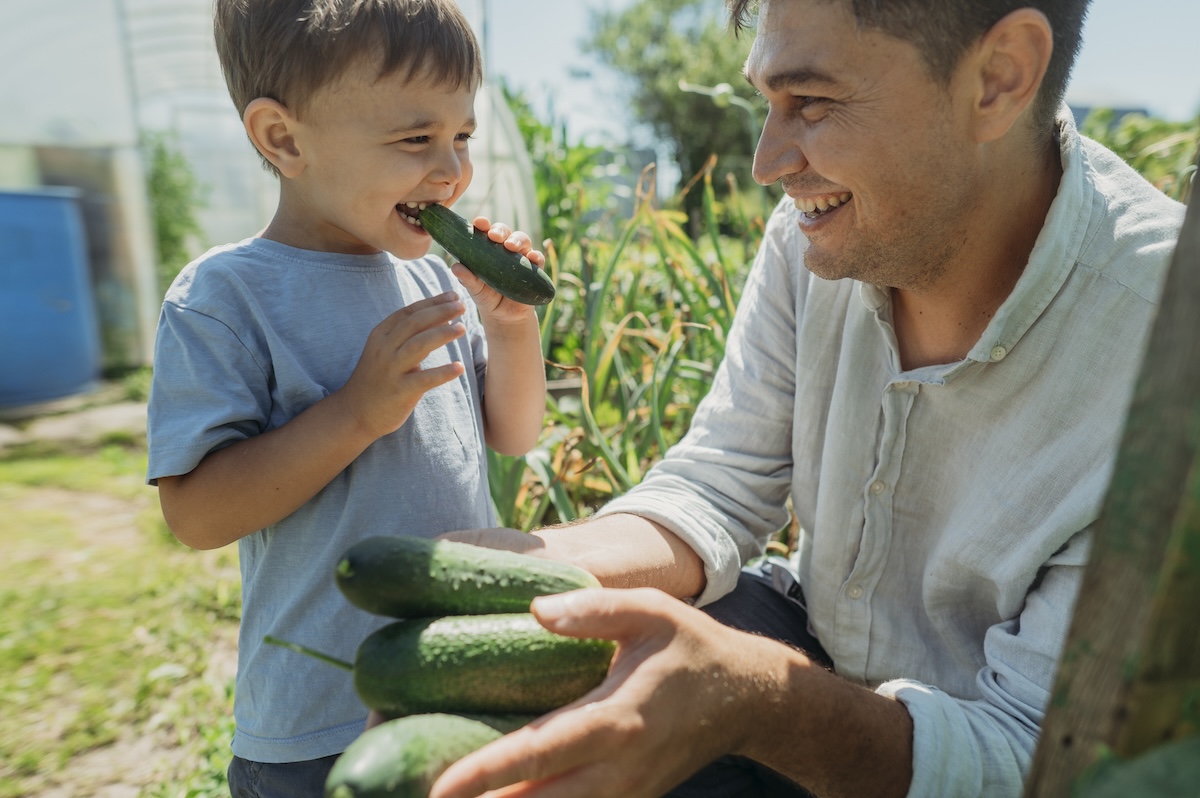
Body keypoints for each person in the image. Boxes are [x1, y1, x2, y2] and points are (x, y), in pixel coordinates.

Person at [421, 1, 1187, 797]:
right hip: (813, 652)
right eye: (767, 103)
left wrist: (753, 699)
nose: (766, 162)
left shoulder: (1170, 357)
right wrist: (546, 569)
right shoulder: (823, 230)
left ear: (998, 78)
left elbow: (1035, 760)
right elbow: (721, 480)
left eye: (812, 103)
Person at [143, 2, 548, 796]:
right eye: (414, 139)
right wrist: (355, 413)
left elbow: (513, 433)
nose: (451, 171)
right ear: (284, 139)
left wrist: (510, 331)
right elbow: (196, 516)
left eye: (461, 136)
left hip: (456, 688)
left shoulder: (436, 277)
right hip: (314, 721)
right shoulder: (226, 296)